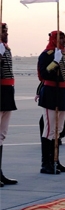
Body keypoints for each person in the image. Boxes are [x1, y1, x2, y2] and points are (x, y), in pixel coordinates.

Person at [37, 31, 65, 174]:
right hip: (51, 94)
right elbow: (43, 75)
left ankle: (55, 161)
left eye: (64, 38)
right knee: (49, 130)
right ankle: (46, 163)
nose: (63, 41)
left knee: (58, 130)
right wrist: (55, 62)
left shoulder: (63, 54)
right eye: (60, 39)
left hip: (62, 94)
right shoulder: (46, 55)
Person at [0, 23, 17, 186]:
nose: (6, 33)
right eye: (3, 31)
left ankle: (0, 172)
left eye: (6, 30)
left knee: (2, 134)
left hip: (6, 93)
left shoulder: (6, 48)